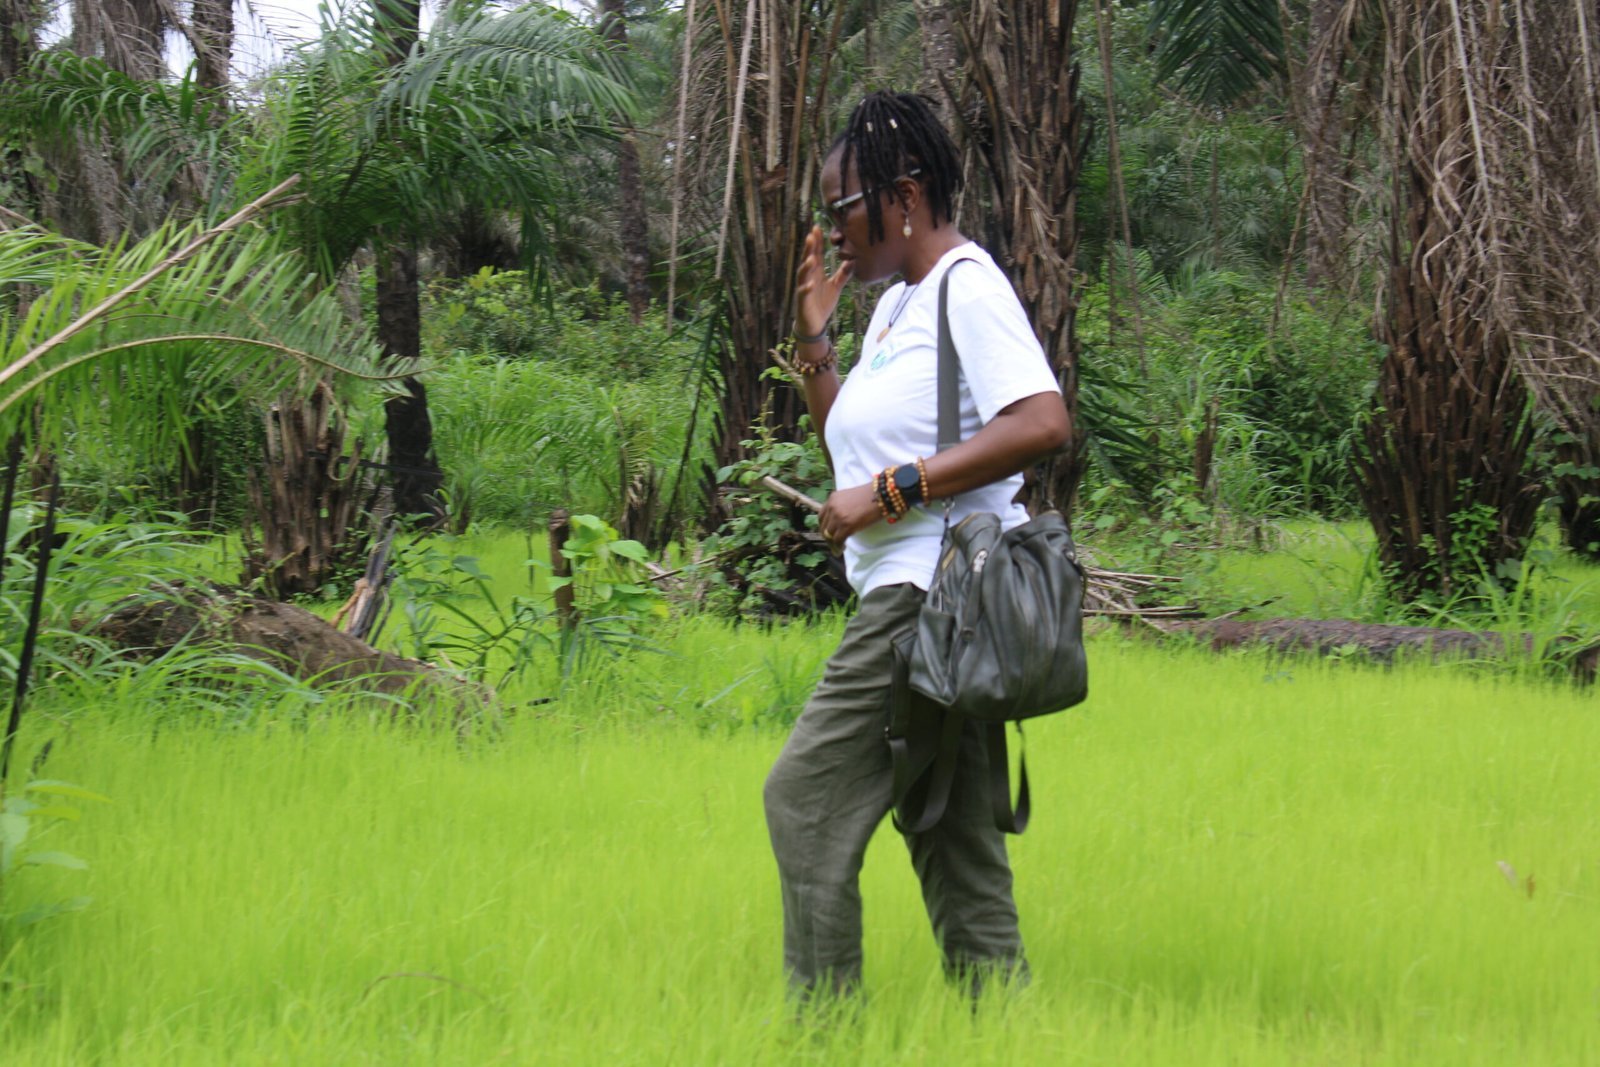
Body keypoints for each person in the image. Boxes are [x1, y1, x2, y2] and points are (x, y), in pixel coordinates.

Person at [762, 90, 1071, 999]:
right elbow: (847, 450)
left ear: (902, 195)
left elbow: (1042, 420)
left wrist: (891, 492)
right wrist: (817, 341)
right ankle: (1005, 1030)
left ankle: (822, 1037)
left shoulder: (965, 284)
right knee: (952, 829)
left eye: (841, 209)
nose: (834, 231)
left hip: (926, 597)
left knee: (804, 798)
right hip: (926, 600)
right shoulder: (898, 307)